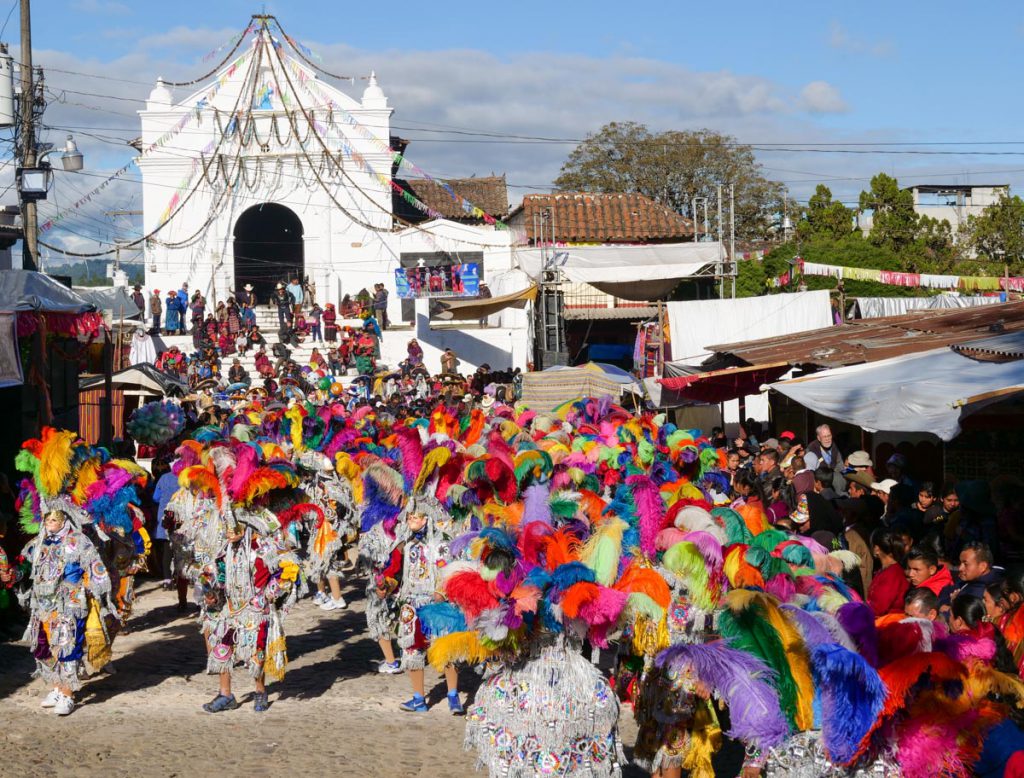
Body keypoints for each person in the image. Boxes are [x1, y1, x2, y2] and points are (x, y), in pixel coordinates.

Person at [19, 508, 113, 716]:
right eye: (47, 518)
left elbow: (95, 568)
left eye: (55, 519)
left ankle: (68, 693)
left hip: (69, 602)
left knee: (67, 643)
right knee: (45, 644)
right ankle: (56, 687)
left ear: (65, 519)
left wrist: (87, 590)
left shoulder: (79, 540)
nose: (50, 522)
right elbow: (29, 568)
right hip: (44, 604)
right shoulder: (40, 540)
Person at [868, 528, 910, 617]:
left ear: (876, 549)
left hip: (888, 625)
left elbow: (878, 608)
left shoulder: (892, 574)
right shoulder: (888, 570)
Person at [803, 424, 845, 495]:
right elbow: (809, 471)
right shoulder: (812, 449)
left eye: (829, 436)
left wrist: (832, 474)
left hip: (833, 479)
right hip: (820, 483)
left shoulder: (835, 446)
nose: (827, 439)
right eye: (824, 437)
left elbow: (840, 464)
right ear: (819, 438)